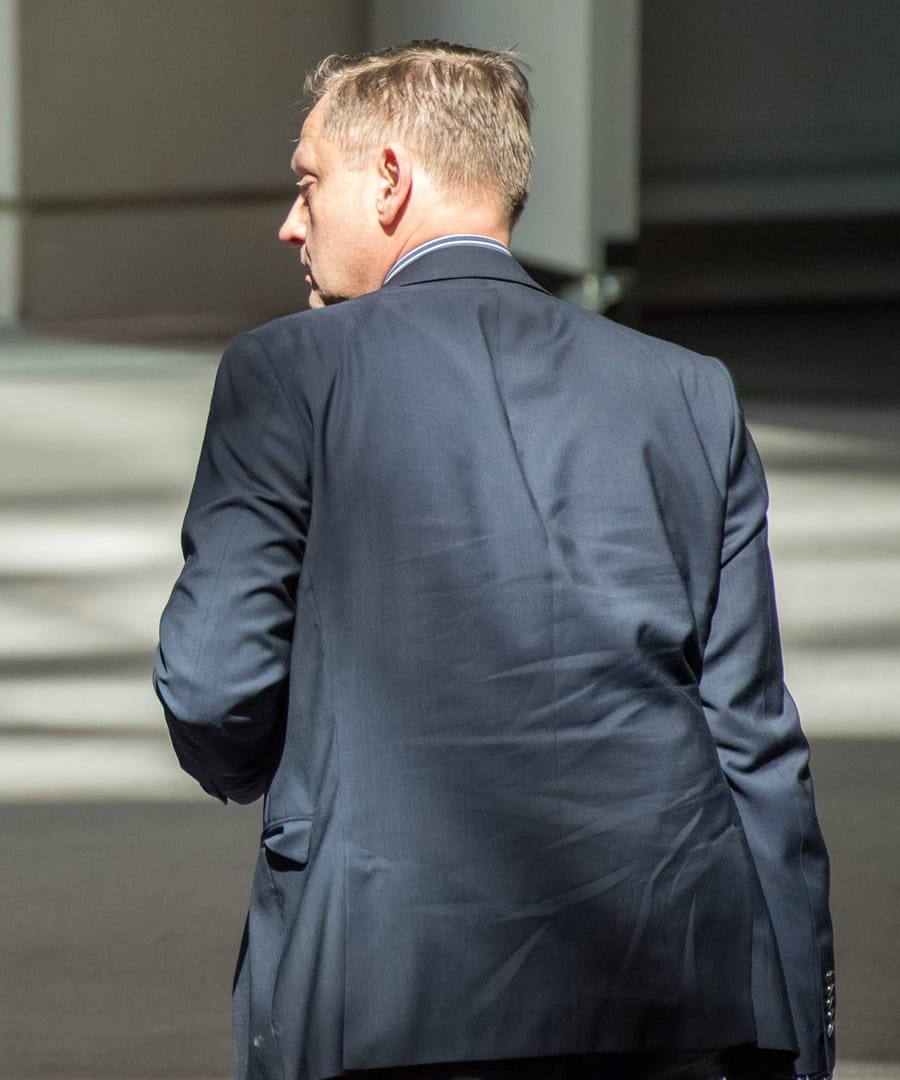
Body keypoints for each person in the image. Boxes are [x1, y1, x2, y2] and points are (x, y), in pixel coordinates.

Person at [153, 42, 834, 1080]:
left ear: (388, 181)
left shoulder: (285, 374)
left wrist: (281, 768)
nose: (291, 223)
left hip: (383, 989)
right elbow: (754, 742)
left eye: (306, 184)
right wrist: (796, 1030)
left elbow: (212, 688)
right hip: (675, 994)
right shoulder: (687, 390)